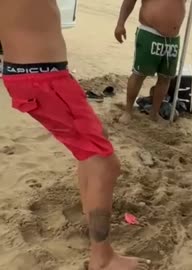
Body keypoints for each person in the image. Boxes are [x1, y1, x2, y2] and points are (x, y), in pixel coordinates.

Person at [0, 1, 150, 269]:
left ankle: (91, 211)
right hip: (42, 78)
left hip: (40, 74)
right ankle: (102, 258)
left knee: (93, 147)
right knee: (105, 165)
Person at [115, 0, 186, 123]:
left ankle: (154, 113)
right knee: (139, 74)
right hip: (150, 32)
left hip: (172, 39)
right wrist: (120, 24)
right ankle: (128, 111)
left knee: (166, 77)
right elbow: (129, 2)